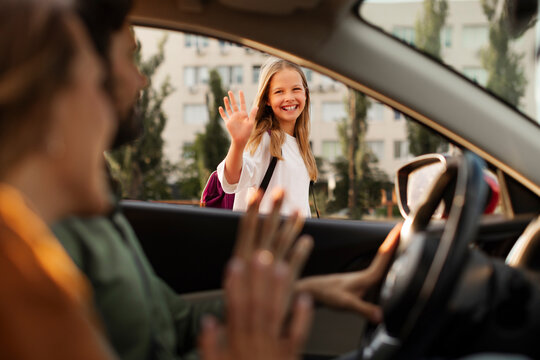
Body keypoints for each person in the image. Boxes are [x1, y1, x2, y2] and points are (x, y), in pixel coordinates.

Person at [0, 0, 118, 358]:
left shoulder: (28, 249)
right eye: (99, 85)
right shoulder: (24, 288)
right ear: (48, 109)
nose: (108, 115)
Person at [217, 57, 318, 216]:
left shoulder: (300, 144)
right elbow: (230, 180)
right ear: (267, 100)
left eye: (296, 89)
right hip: (265, 239)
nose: (289, 97)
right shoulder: (265, 140)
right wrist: (237, 143)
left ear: (305, 94)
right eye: (279, 91)